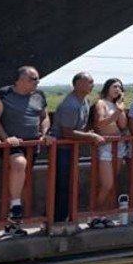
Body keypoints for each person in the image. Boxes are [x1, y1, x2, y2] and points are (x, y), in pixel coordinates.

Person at [0, 65, 50, 231]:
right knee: (19, 164)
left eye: (37, 79)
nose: (37, 82)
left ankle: (14, 222)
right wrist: (6, 138)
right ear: (20, 80)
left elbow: (44, 117)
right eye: (33, 79)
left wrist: (44, 133)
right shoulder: (4, 94)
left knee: (23, 180)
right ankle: (15, 206)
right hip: (12, 143)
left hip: (32, 143)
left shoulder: (39, 95)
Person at [51, 71, 101, 231]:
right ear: (78, 84)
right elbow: (67, 132)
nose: (92, 84)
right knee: (62, 184)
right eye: (89, 82)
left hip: (72, 148)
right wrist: (90, 136)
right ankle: (58, 219)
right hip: (62, 149)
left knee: (70, 183)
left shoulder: (84, 101)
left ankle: (64, 215)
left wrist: (87, 132)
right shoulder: (70, 105)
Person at [90, 78, 129, 216]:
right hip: (105, 145)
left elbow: (123, 125)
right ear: (107, 88)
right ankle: (96, 213)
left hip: (118, 145)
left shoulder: (117, 105)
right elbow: (101, 123)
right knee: (107, 183)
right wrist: (117, 112)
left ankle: (105, 212)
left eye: (120, 87)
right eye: (114, 86)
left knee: (113, 181)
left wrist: (120, 108)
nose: (117, 89)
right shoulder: (101, 103)